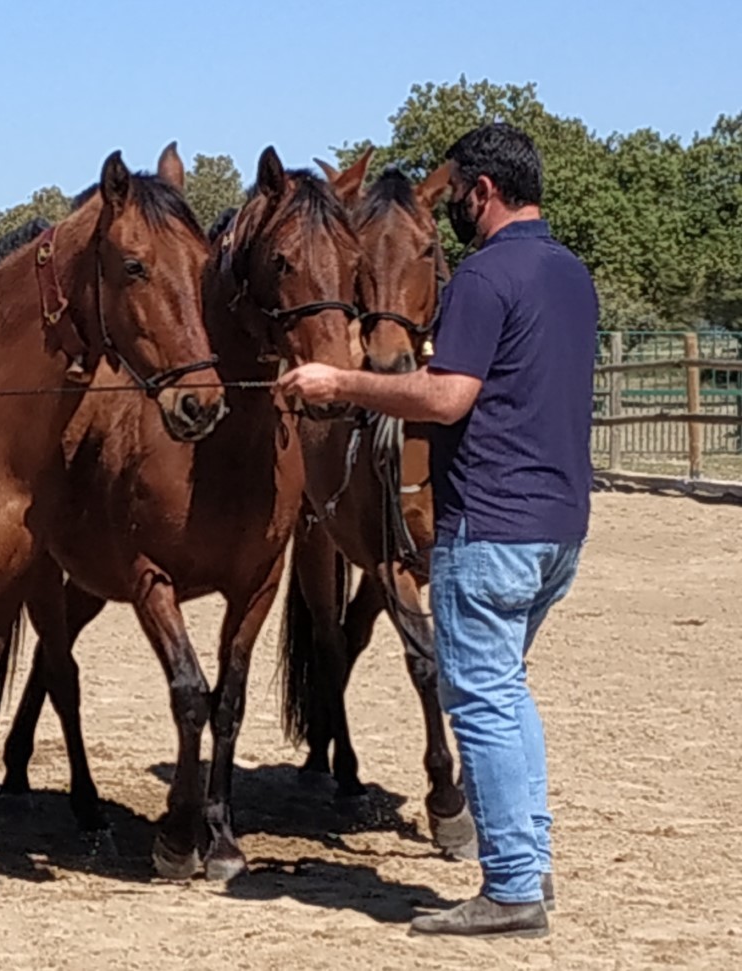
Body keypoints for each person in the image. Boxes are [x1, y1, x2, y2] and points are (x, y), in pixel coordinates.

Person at [277, 122, 598, 939]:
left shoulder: (485, 278)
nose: (453, 207)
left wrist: (337, 379)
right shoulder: (571, 275)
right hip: (559, 526)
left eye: (457, 194)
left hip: (488, 522)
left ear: (483, 191)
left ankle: (514, 887)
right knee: (508, 694)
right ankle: (532, 860)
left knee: (481, 702)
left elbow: (449, 397)